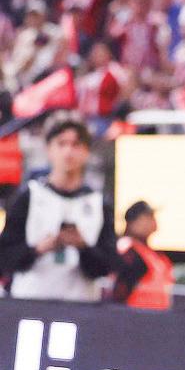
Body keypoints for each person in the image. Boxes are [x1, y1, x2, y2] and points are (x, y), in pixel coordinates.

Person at [0, 113, 116, 302]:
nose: (68, 152)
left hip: (82, 304)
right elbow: (5, 256)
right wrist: (39, 249)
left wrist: (83, 246)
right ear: (49, 149)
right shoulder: (29, 197)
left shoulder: (99, 203)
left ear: (86, 150)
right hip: (31, 301)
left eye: (76, 144)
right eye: (62, 144)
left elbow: (108, 265)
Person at [111, 200, 175, 310]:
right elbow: (120, 288)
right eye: (148, 217)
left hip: (157, 315)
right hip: (133, 314)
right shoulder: (126, 248)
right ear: (133, 222)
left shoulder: (151, 254)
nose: (152, 221)